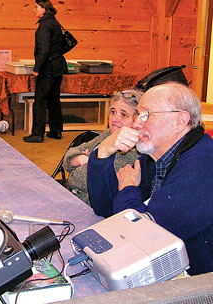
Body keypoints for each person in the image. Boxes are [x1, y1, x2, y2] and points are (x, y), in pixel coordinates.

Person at [87, 82, 213, 276]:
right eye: (137, 114)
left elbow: (144, 238)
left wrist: (128, 188)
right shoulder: (154, 159)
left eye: (146, 115)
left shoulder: (202, 164)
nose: (136, 123)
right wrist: (103, 152)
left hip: (199, 282)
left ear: (180, 120)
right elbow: (105, 209)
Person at [62, 89, 143, 206]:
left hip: (92, 208)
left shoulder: (134, 150)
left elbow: (80, 180)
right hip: (74, 198)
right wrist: (81, 159)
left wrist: (87, 161)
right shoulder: (109, 133)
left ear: (138, 119)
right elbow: (69, 156)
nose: (115, 119)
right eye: (113, 112)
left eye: (124, 114)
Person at [23, 0, 67, 143]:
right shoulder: (55, 23)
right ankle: (56, 131)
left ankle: (37, 134)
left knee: (40, 101)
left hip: (47, 69)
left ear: (44, 9)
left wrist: (37, 69)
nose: (33, 10)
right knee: (54, 100)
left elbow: (43, 50)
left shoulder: (44, 25)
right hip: (58, 67)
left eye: (36, 7)